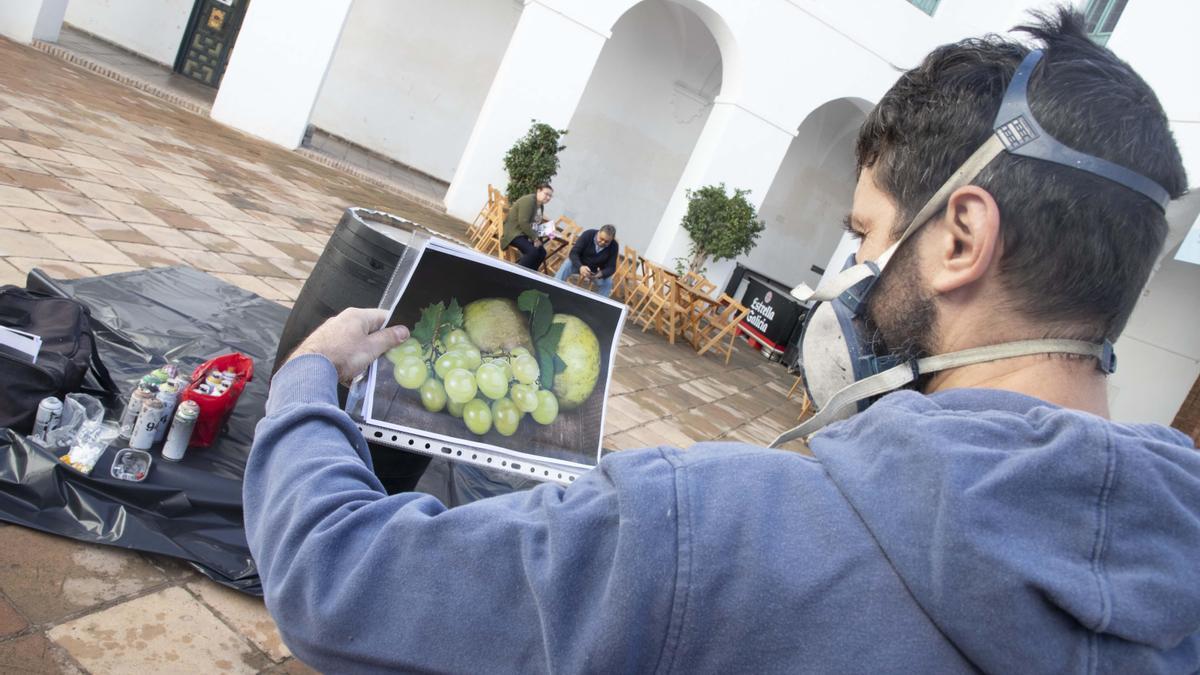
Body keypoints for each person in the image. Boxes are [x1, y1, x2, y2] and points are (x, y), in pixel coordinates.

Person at [244, 11, 1199, 673]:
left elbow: (341, 578)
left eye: (863, 236)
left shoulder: (718, 530)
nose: (841, 283)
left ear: (960, 240)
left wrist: (309, 378)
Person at [554, 224, 619, 296]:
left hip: (595, 272)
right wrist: (581, 267)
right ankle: (554, 289)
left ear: (612, 239)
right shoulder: (588, 234)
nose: (603, 242)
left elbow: (611, 267)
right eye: (601, 239)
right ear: (598, 233)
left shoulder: (614, 246)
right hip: (579, 264)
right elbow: (574, 253)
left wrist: (601, 274)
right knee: (567, 264)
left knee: (608, 283)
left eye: (607, 242)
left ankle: (599, 305)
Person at [501, 183, 553, 270]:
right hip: (514, 233)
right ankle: (516, 273)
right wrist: (535, 239)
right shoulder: (529, 201)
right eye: (546, 194)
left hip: (524, 233)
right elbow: (523, 223)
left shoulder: (540, 206)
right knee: (532, 252)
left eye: (550, 196)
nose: (548, 198)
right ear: (538, 191)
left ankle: (529, 274)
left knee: (542, 253)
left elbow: (536, 224)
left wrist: (550, 233)